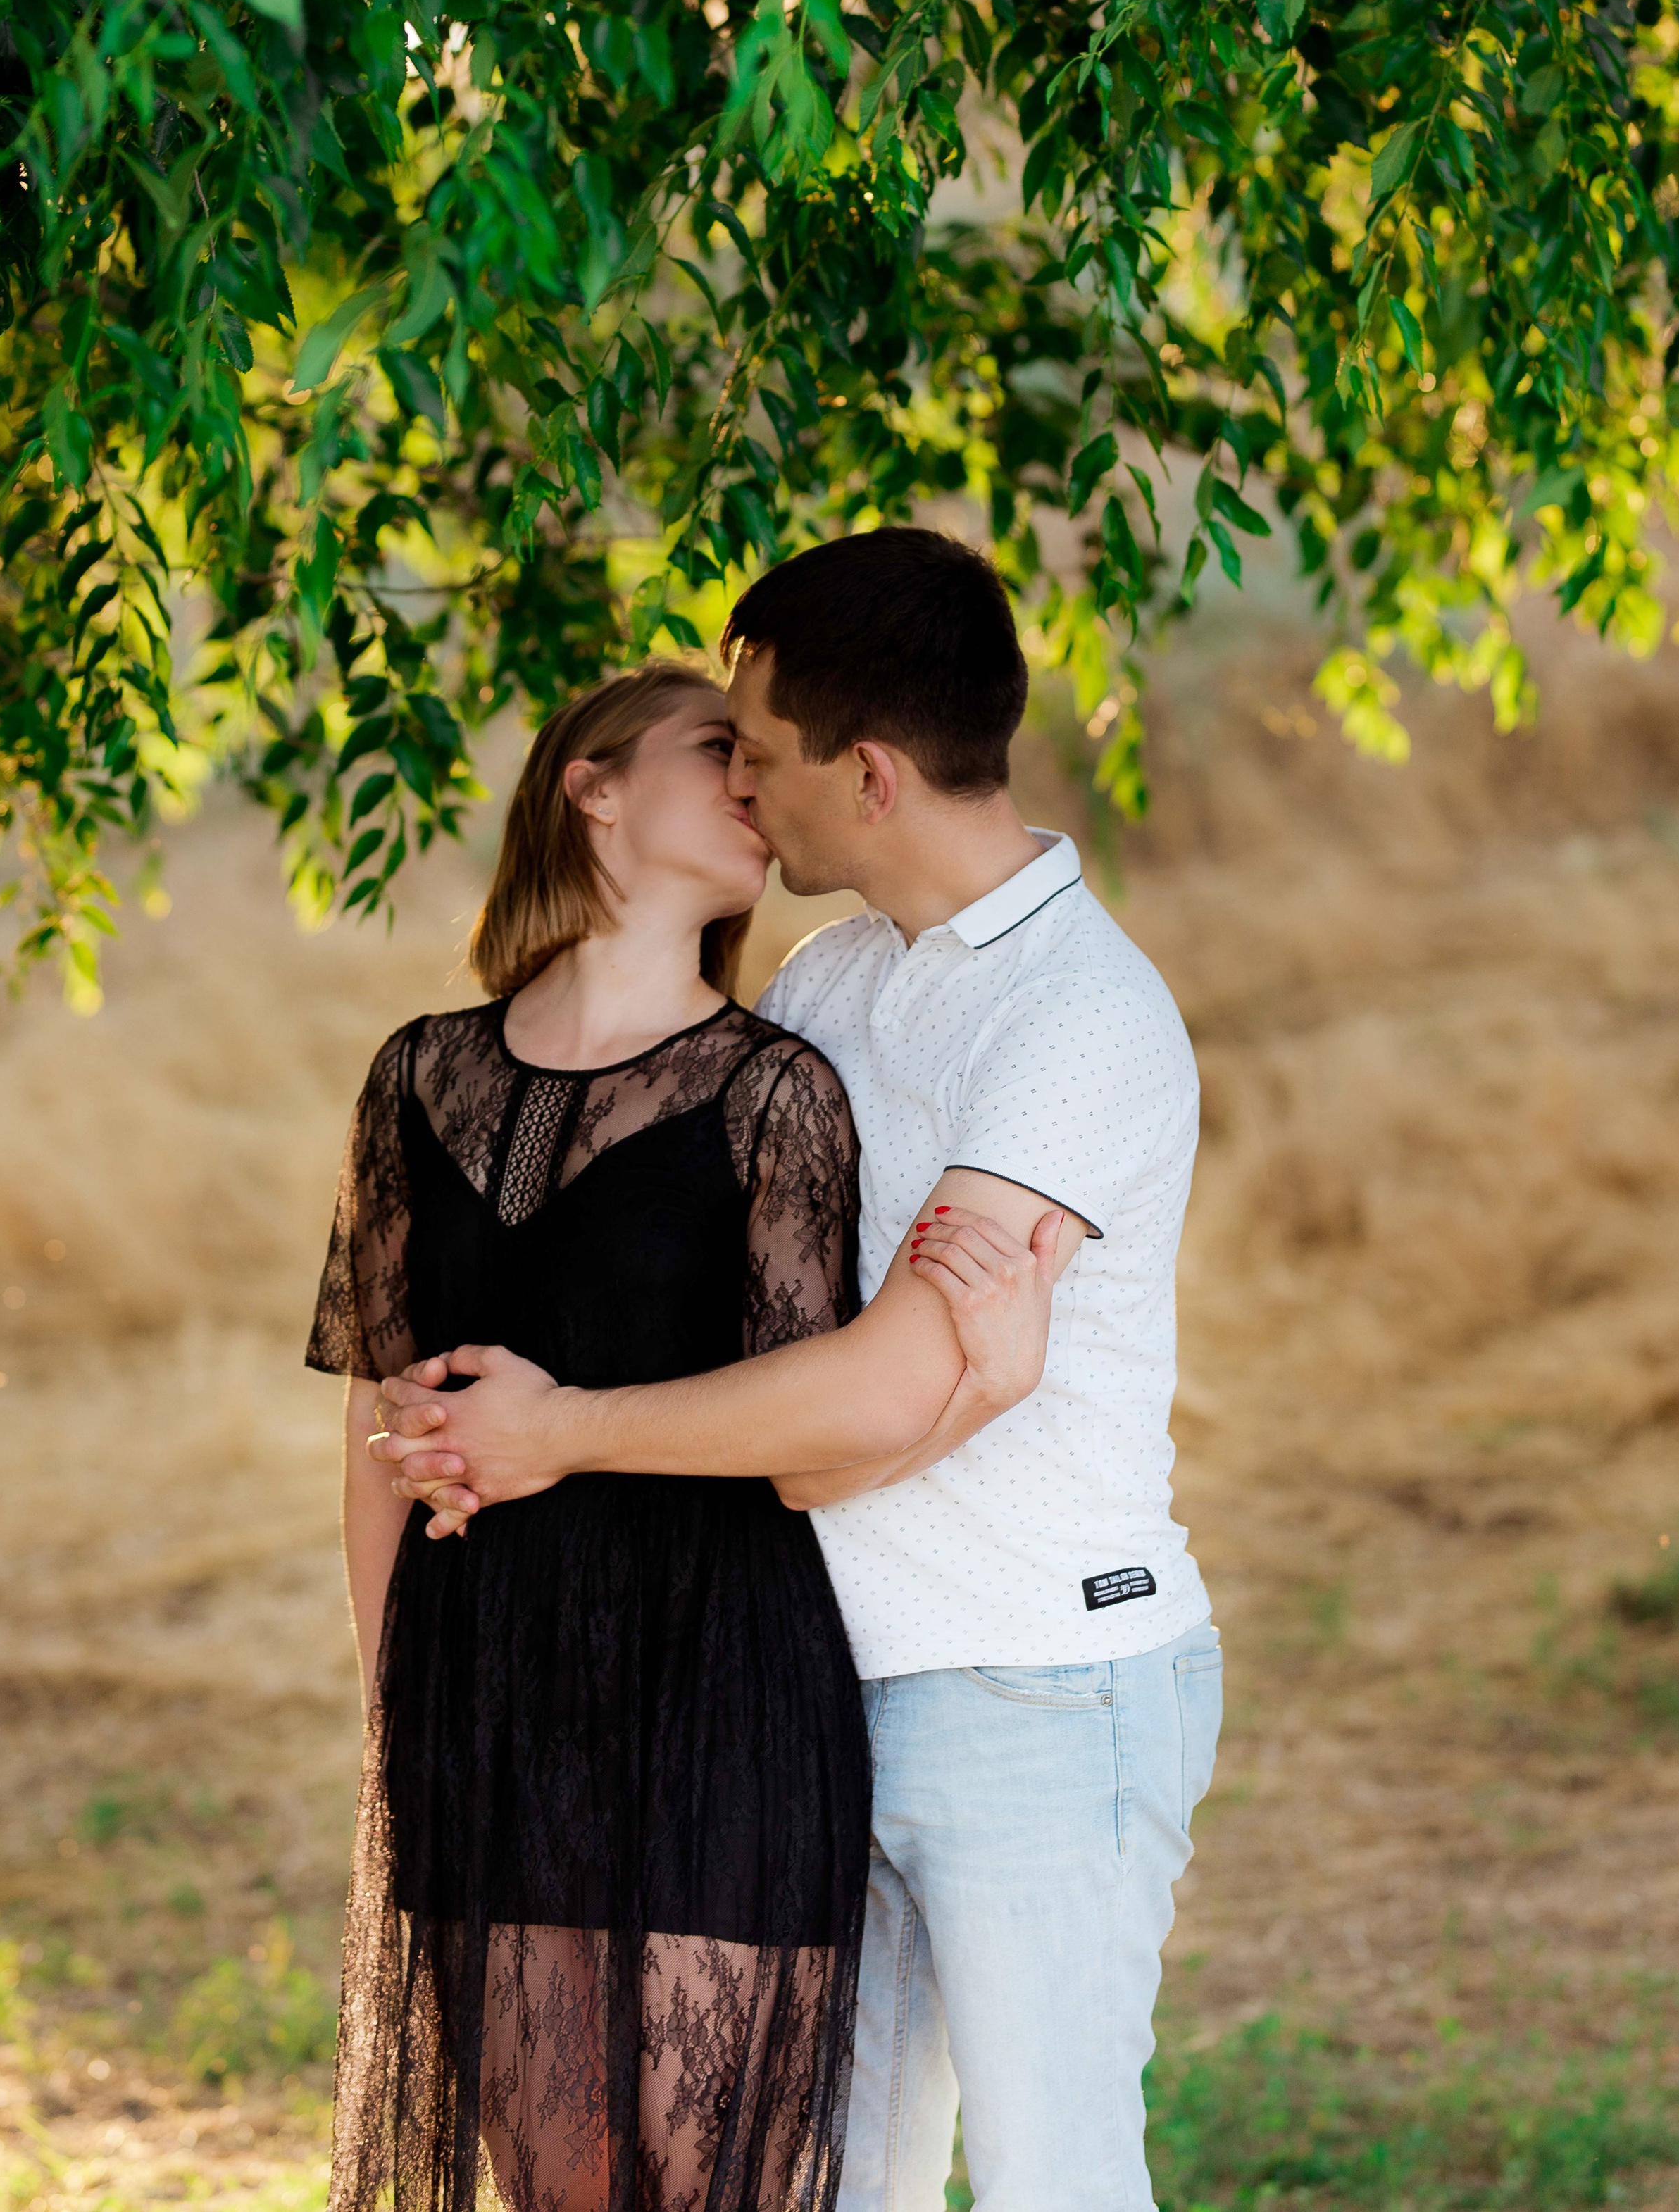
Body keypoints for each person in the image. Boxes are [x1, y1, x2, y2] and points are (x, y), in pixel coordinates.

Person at [374, 529, 1221, 2212]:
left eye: (758, 753)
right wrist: (908, 1403)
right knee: (832, 2191)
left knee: (1055, 2186)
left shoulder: (1079, 1017)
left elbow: (861, 1403)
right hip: (813, 1700)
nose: (744, 787)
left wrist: (577, 1432)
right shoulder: (831, 984)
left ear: (873, 773)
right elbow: (802, 1373)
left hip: (1033, 1686)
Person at [310, 658, 1045, 2212]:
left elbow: (802, 1440)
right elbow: (384, 1427)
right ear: (589, 784)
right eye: (717, 749)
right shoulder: (414, 1074)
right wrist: (400, 1713)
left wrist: (978, 1383)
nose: (752, 781)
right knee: (562, 2192)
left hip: (712, 1688)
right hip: (490, 1705)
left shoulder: (777, 1094)